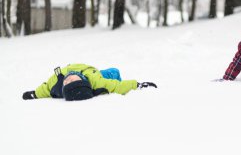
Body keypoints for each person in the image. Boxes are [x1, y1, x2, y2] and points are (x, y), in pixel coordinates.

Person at [22, 63, 157, 101]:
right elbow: (118, 86)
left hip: (88, 71)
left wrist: (34, 94)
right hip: (94, 72)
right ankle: (110, 75)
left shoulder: (56, 83)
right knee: (114, 73)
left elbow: (45, 89)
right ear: (84, 80)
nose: (68, 77)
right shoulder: (96, 82)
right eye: (72, 79)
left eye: (68, 81)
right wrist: (138, 85)